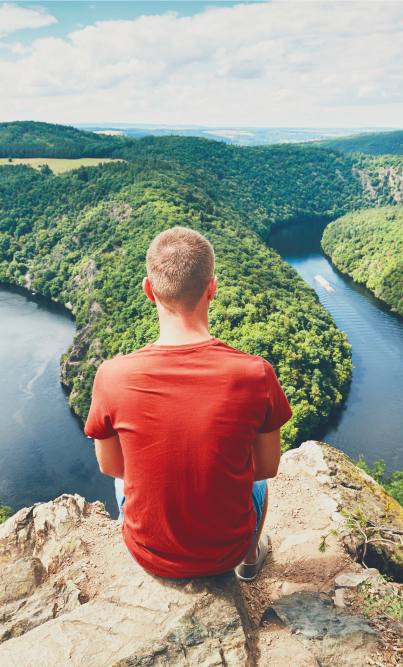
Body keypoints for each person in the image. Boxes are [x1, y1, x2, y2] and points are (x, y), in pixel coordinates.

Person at [83, 226, 293, 581]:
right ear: (212, 288)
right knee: (258, 486)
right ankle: (250, 558)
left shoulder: (112, 375)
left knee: (125, 480)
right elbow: (267, 467)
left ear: (148, 290)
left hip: (148, 554)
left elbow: (111, 466)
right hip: (226, 551)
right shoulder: (255, 374)